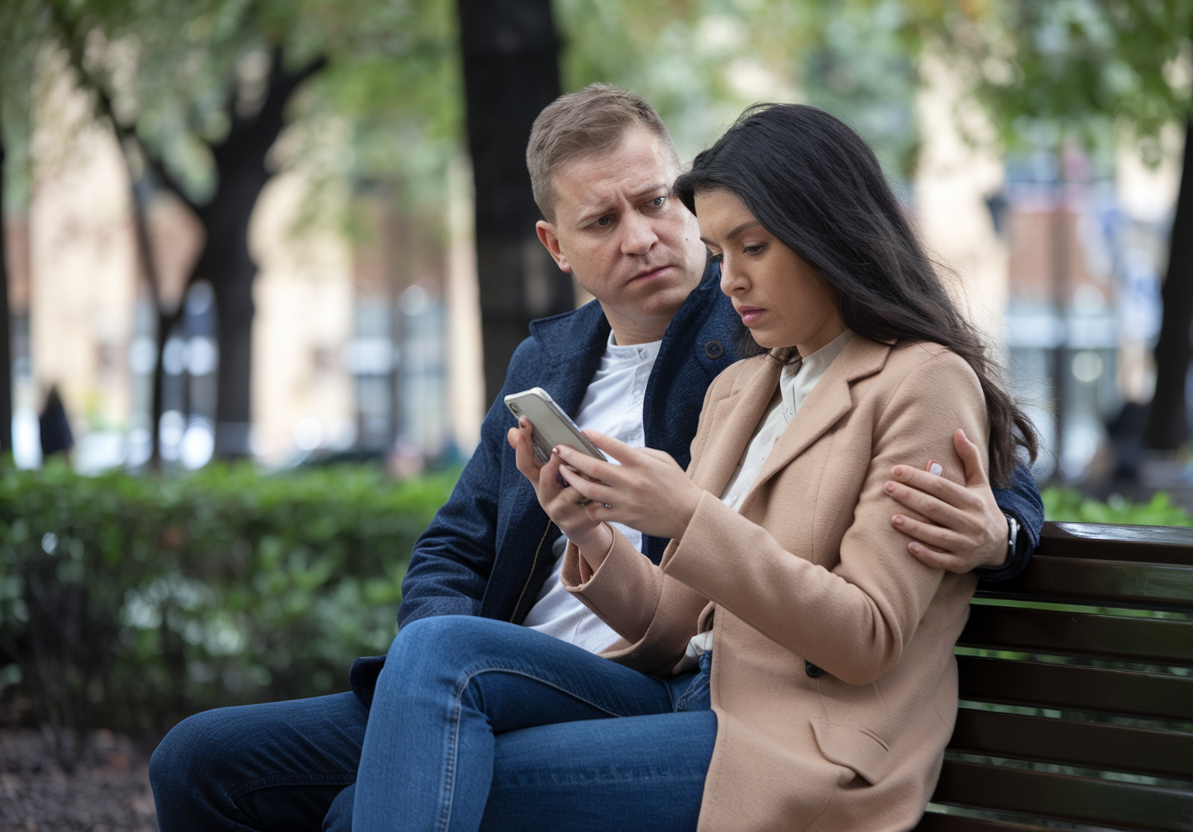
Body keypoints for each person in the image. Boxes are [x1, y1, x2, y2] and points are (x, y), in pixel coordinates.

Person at [149, 86, 1043, 831]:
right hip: (569, 676)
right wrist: (593, 538)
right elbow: (472, 552)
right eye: (604, 219)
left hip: (774, 726)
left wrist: (1004, 530)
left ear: (825, 234)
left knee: (376, 792)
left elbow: (971, 484)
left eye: (662, 206)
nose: (699, 262)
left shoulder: (781, 351)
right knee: (213, 753)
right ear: (558, 246)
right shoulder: (652, 374)